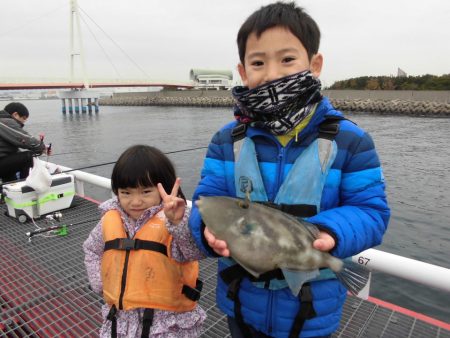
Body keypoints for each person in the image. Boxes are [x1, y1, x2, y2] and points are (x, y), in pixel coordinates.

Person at [189, 2, 390, 338]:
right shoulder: (227, 140)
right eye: (258, 62)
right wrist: (205, 231)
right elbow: (206, 201)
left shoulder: (351, 141)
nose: (271, 73)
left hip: (312, 311)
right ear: (242, 72)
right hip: (241, 303)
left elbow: (372, 212)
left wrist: (330, 233)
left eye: (287, 59)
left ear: (314, 64)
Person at [83, 145, 206, 338]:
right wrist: (100, 283)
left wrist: (178, 223)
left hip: (167, 322)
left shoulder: (175, 219)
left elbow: (195, 252)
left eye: (146, 192)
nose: (135, 201)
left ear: (163, 188)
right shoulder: (109, 219)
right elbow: (92, 250)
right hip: (121, 320)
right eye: (126, 193)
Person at [0, 102, 49, 183]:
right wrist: (42, 147)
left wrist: (40, 149)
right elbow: (25, 139)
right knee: (29, 157)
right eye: (23, 118)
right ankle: (24, 187)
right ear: (15, 114)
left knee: (12, 162)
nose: (23, 122)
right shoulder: (6, 122)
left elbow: (12, 151)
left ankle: (8, 187)